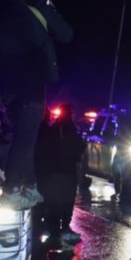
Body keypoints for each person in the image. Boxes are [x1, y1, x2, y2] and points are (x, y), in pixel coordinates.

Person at [0, 0, 74, 209]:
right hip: (31, 84)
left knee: (24, 136)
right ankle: (12, 189)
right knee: (25, 139)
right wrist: (50, 6)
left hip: (6, 88)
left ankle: (29, 185)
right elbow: (66, 35)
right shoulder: (40, 8)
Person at [34, 102, 86, 251]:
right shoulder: (69, 129)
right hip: (66, 171)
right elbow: (78, 148)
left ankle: (55, 230)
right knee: (65, 201)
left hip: (53, 172)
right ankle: (60, 229)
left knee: (55, 201)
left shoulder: (52, 129)